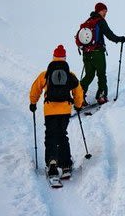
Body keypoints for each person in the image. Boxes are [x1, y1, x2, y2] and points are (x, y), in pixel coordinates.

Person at [29, 45, 84, 181]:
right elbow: (78, 91)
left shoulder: (46, 73)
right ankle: (65, 166)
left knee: (51, 136)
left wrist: (33, 102)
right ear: (65, 58)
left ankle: (52, 164)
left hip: (50, 111)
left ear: (53, 57)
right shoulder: (70, 74)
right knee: (62, 136)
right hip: (65, 110)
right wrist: (78, 105)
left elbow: (35, 89)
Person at [79, 2, 125, 105]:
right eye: (104, 11)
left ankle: (79, 95)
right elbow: (109, 35)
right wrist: (120, 39)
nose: (105, 13)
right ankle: (101, 96)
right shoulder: (100, 21)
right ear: (99, 10)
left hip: (86, 53)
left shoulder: (88, 21)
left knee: (89, 75)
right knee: (101, 74)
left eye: (106, 11)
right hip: (97, 53)